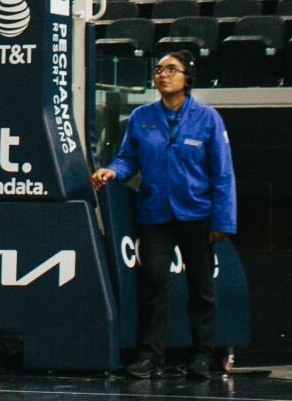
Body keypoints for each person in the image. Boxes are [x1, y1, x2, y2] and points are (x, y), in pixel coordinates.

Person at [91, 50, 238, 380]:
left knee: (201, 288)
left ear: (188, 78)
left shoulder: (208, 119)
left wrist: (222, 221)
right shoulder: (142, 117)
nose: (163, 75)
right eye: (158, 69)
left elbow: (223, 173)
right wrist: (113, 171)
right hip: (155, 213)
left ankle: (201, 356)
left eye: (172, 69)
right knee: (153, 285)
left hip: (196, 213)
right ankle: (150, 356)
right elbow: (128, 158)